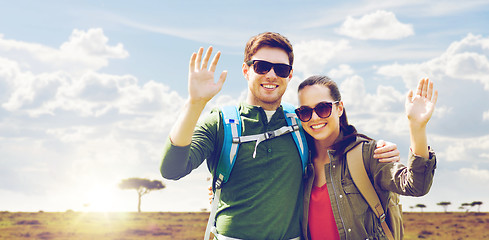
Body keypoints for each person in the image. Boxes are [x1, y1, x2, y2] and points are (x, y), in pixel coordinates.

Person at [160, 32, 399, 240]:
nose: (271, 75)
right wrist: (195, 103)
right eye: (261, 66)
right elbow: (171, 169)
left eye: (281, 69)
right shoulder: (220, 122)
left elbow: (337, 141)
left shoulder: (301, 122)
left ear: (290, 75)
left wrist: (377, 147)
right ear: (246, 70)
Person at [295, 76, 438, 240]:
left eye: (323, 108)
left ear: (339, 108)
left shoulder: (367, 154)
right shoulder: (301, 163)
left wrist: (417, 127)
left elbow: (416, 186)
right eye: (305, 112)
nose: (314, 118)